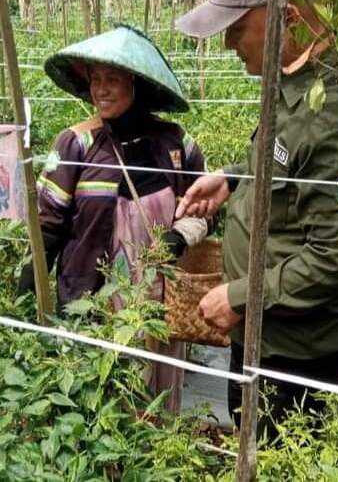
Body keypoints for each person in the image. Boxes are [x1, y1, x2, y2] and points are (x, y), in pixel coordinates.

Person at [175, 0, 338, 438]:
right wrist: (235, 177)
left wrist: (239, 296)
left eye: (235, 29)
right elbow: (289, 166)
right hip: (262, 332)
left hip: (297, 356)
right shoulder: (295, 84)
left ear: (290, 19)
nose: (230, 44)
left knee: (281, 455)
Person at [18, 25, 209, 412]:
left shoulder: (175, 145)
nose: (100, 90)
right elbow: (49, 223)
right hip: (91, 300)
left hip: (157, 305)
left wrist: (181, 235)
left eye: (112, 79)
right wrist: (28, 283)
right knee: (91, 403)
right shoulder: (76, 144)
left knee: (152, 405)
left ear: (136, 83)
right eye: (94, 80)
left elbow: (206, 208)